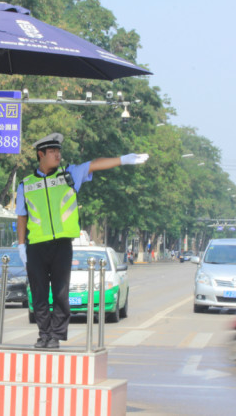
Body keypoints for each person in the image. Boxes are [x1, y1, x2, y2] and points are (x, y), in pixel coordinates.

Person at [15, 132, 148, 349]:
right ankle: (43, 334)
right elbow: (21, 216)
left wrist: (122, 160)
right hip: (36, 246)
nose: (57, 155)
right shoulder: (25, 184)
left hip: (62, 245)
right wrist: (21, 245)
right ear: (41, 154)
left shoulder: (69, 174)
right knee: (39, 294)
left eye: (59, 151)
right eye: (52, 152)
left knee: (60, 292)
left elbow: (94, 164)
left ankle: (56, 336)